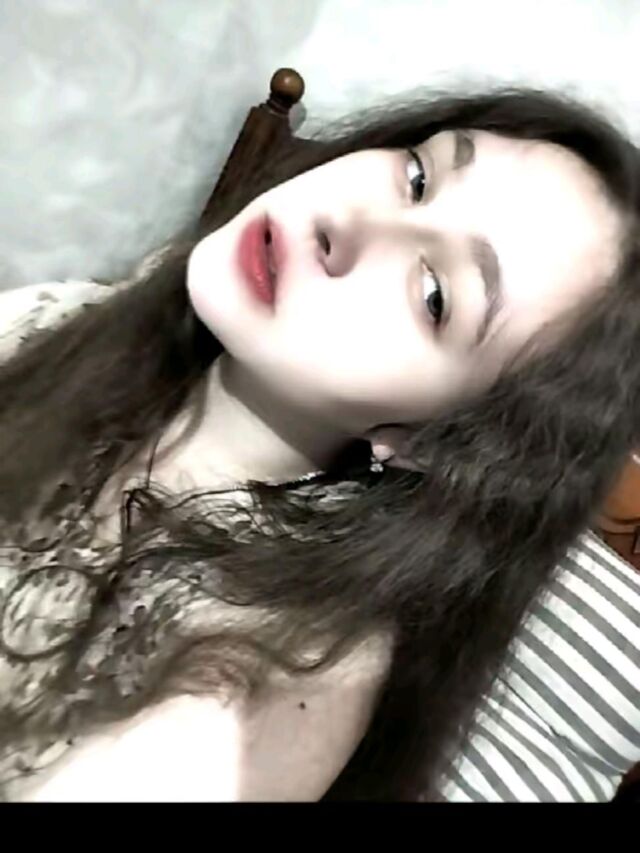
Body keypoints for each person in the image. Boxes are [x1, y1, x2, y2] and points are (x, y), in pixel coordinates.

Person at [0, 87, 639, 802]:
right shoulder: (82, 321)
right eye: (418, 175)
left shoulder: (282, 675)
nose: (348, 222)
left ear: (435, 443)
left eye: (436, 295)